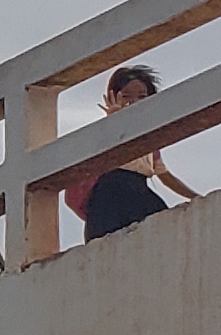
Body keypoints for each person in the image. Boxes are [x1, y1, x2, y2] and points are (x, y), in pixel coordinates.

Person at [78, 64, 203, 241]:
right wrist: (113, 120)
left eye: (142, 97)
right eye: (127, 97)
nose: (134, 102)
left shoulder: (150, 139)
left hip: (139, 189)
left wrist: (196, 197)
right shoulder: (104, 130)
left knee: (164, 234)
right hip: (111, 190)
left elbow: (165, 176)